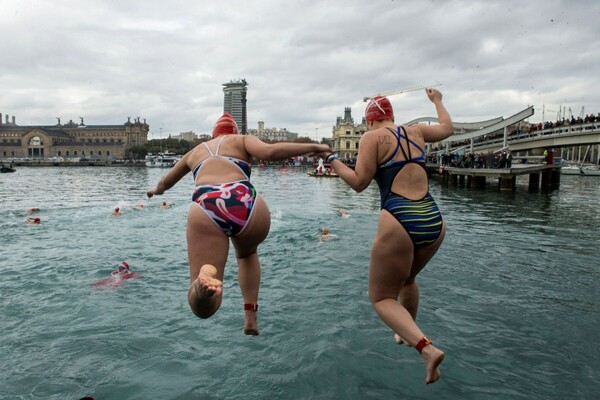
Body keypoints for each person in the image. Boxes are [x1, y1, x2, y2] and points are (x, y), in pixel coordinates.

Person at [147, 112, 331, 335]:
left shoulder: (195, 151)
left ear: (213, 134)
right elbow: (270, 152)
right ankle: (250, 318)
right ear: (234, 132)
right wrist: (314, 146)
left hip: (207, 203)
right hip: (246, 201)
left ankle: (205, 277)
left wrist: (155, 191)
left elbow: (165, 183)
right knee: (246, 254)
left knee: (203, 310)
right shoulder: (241, 140)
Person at [325, 89, 453, 384]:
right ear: (392, 116)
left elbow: (359, 183)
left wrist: (333, 160)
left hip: (399, 217)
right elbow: (447, 128)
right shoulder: (417, 131)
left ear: (369, 122)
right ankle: (408, 333)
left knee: (382, 297)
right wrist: (436, 101)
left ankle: (427, 349)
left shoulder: (371, 138)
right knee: (407, 279)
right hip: (434, 219)